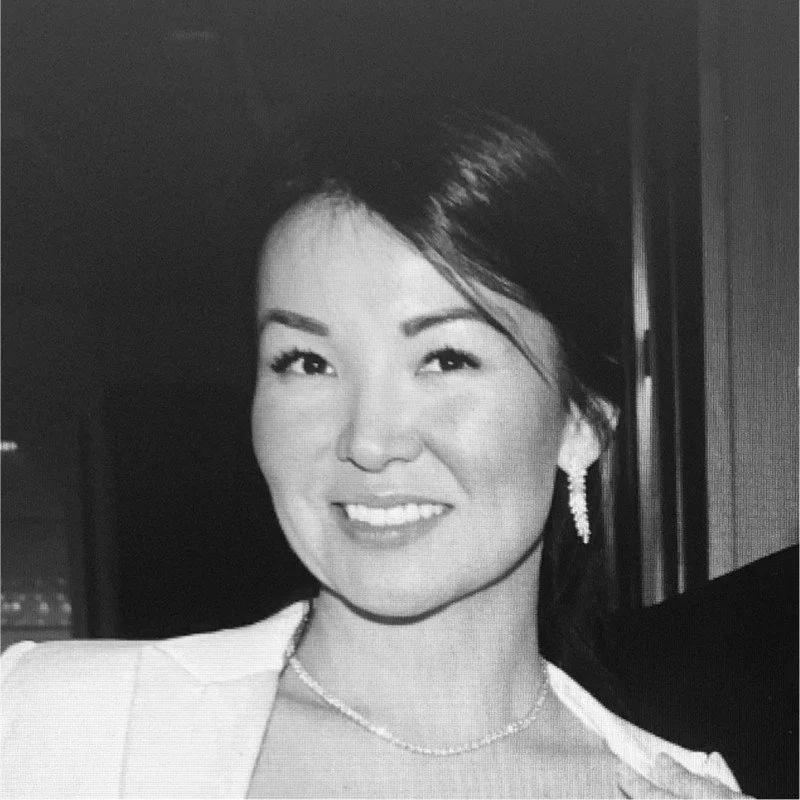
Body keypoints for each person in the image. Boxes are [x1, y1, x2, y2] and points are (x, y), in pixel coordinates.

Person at [2, 97, 745, 798]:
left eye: (446, 359)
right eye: (307, 362)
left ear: (582, 419)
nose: (369, 440)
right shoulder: (60, 728)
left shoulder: (676, 787)